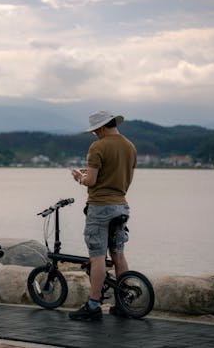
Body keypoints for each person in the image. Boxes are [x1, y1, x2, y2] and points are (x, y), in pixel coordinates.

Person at [69, 110, 137, 321]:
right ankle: (122, 302)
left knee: (97, 257)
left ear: (100, 127)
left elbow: (91, 182)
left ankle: (93, 305)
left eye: (95, 131)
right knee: (118, 254)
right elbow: (124, 178)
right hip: (121, 206)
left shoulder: (98, 146)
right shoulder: (130, 146)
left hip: (100, 207)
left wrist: (80, 177)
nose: (94, 135)